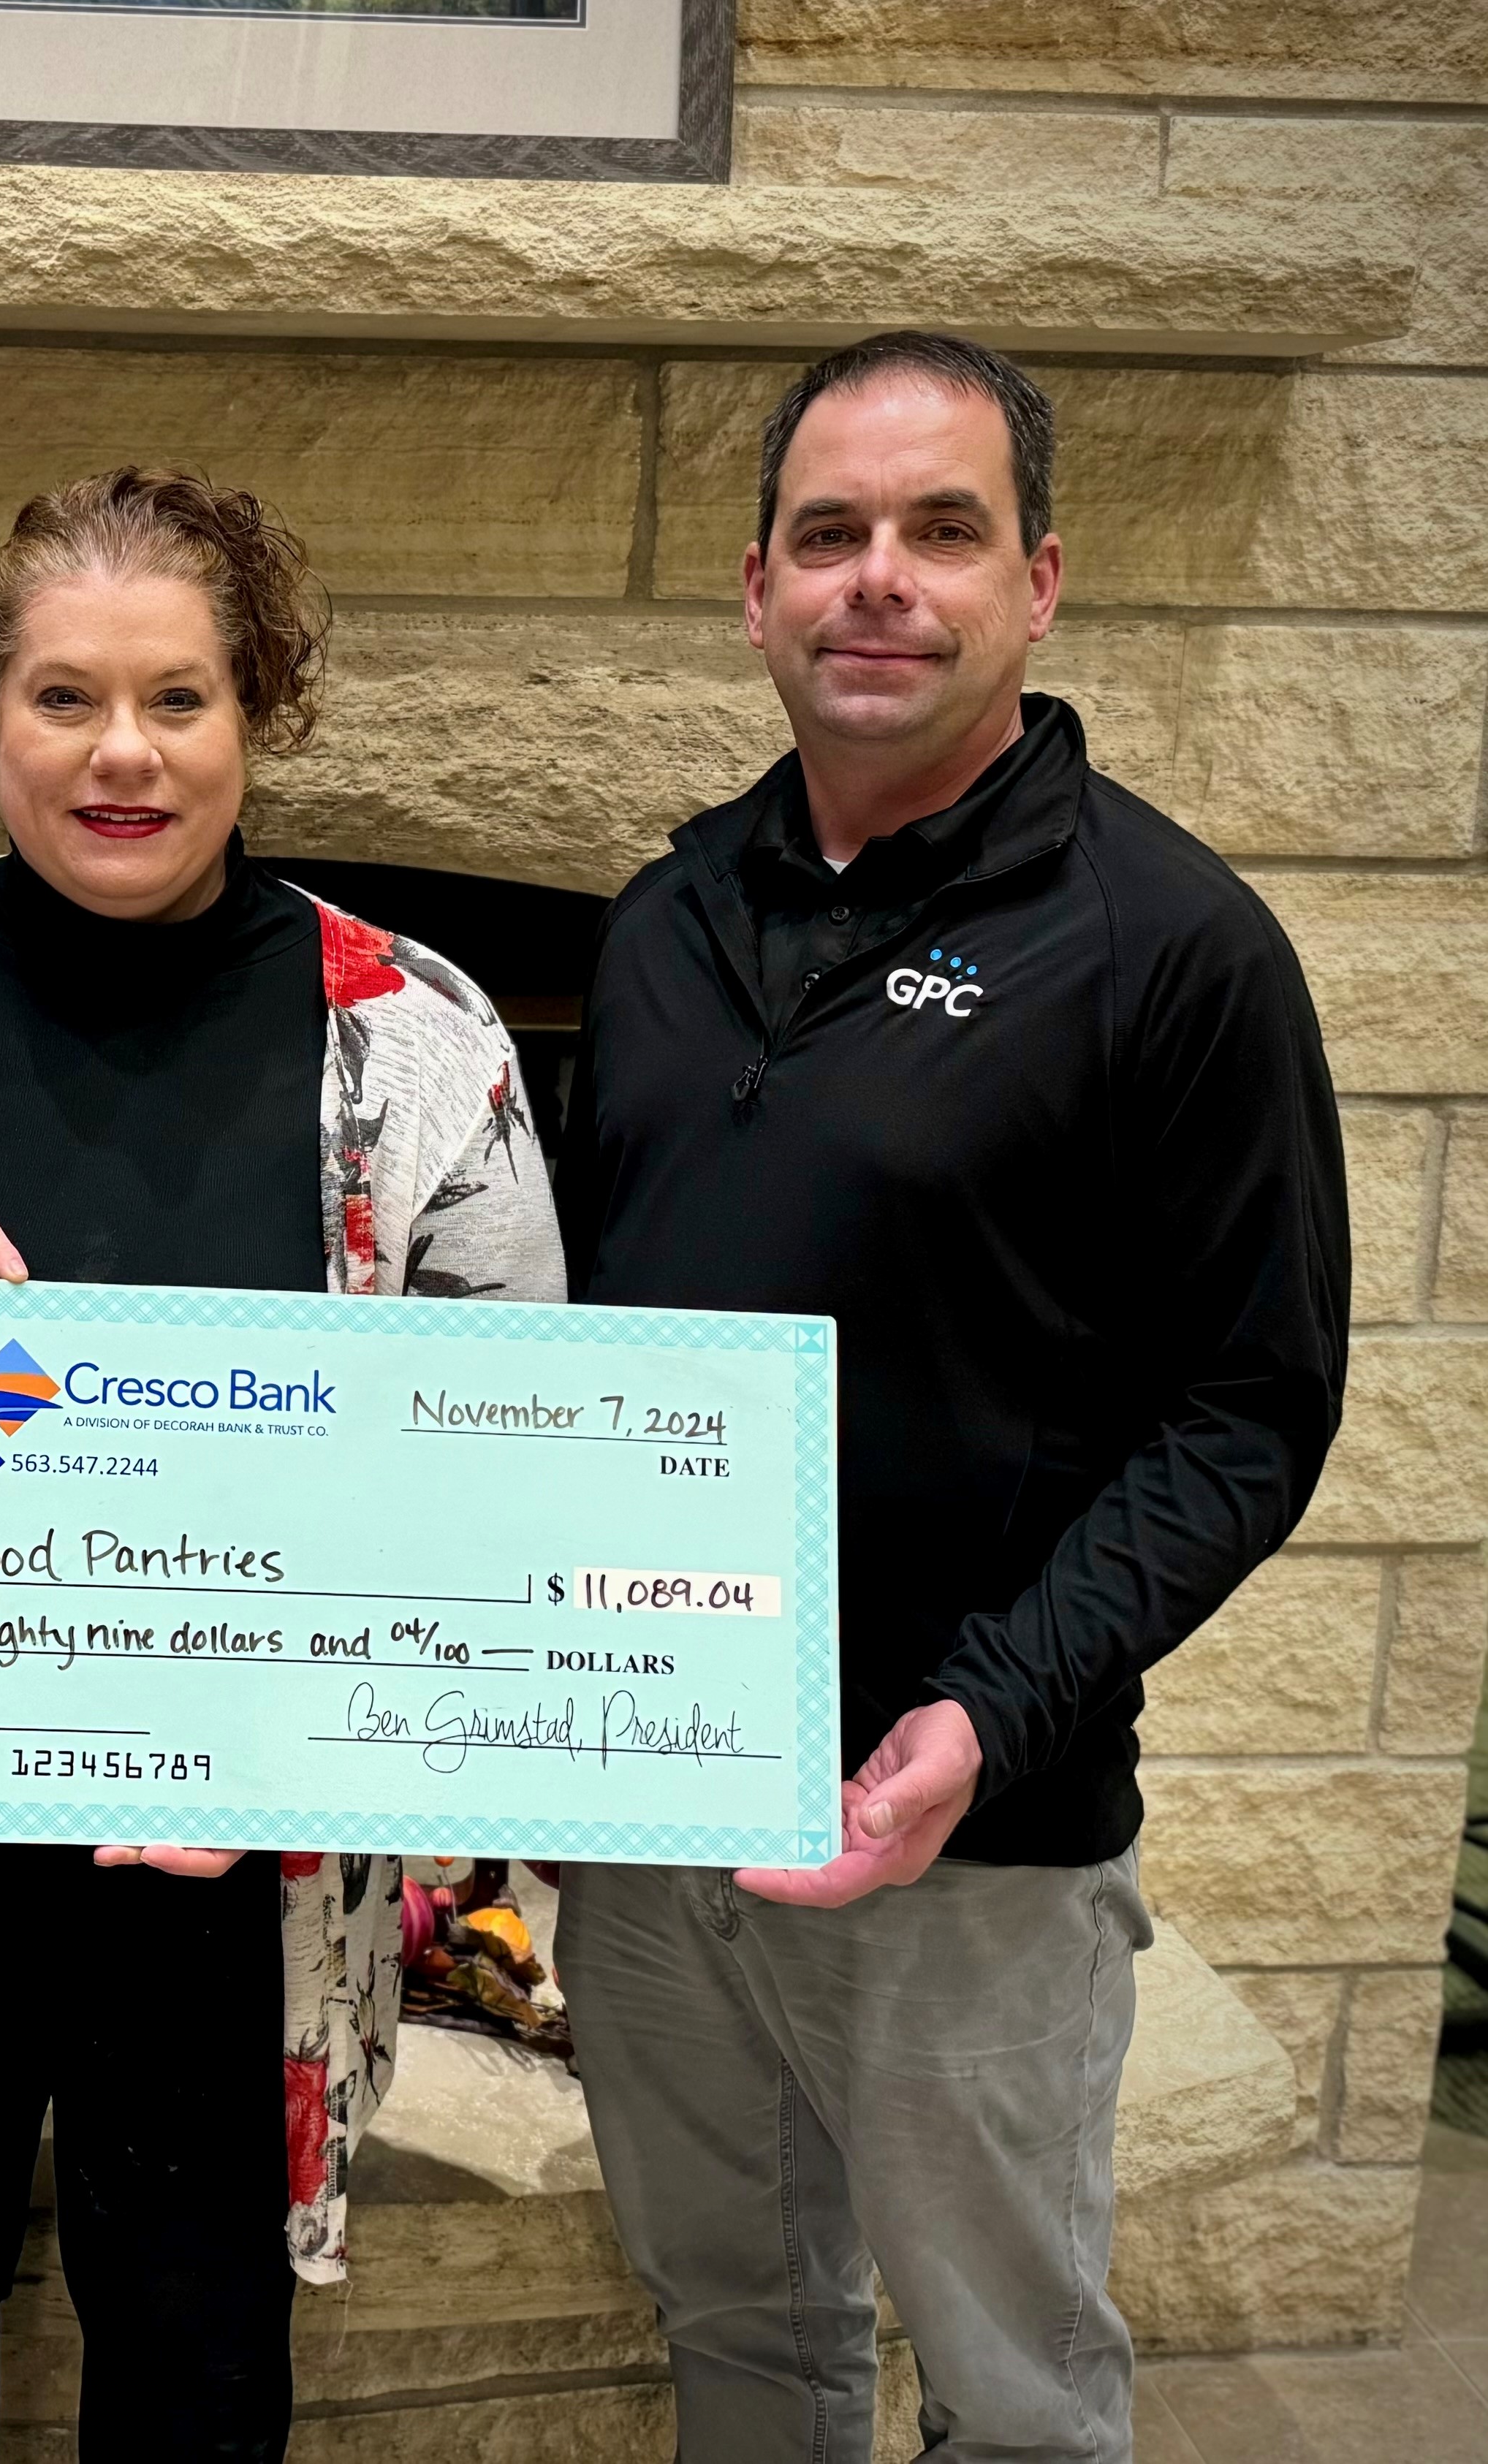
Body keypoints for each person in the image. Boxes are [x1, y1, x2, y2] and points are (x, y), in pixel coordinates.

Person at [0, 467, 565, 2458]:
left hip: (243, 1894)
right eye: (64, 696)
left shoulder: (421, 1044)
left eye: (179, 699)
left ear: (263, 715)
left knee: (201, 2391)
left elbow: (504, 1508)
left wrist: (312, 1744)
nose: (121, 752)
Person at [555, 331, 1349, 2460]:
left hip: (966, 1842)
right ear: (755, 590)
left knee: (1013, 2394)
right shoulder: (660, 921)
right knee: (738, 2322)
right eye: (830, 535)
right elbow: (561, 1351)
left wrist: (989, 1718)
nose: (878, 578)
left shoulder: (1172, 947)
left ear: (1042, 579)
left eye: (941, 531)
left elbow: (1251, 1411)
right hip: (653, 1815)